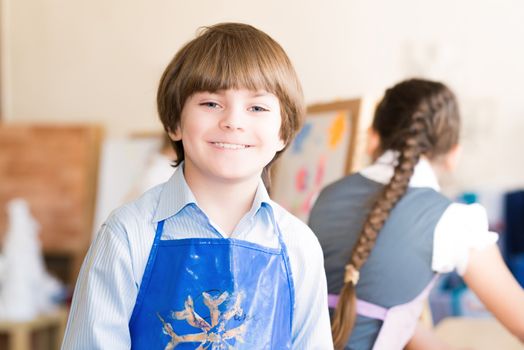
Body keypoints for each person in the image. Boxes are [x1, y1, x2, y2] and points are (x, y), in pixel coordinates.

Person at [62, 23, 332, 349]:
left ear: (283, 133)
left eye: (257, 107)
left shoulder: (298, 245)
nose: (233, 121)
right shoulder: (128, 234)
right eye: (211, 104)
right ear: (174, 122)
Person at [308, 78, 524, 349]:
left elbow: (383, 317)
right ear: (453, 153)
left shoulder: (323, 197)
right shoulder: (453, 221)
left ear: (373, 138)